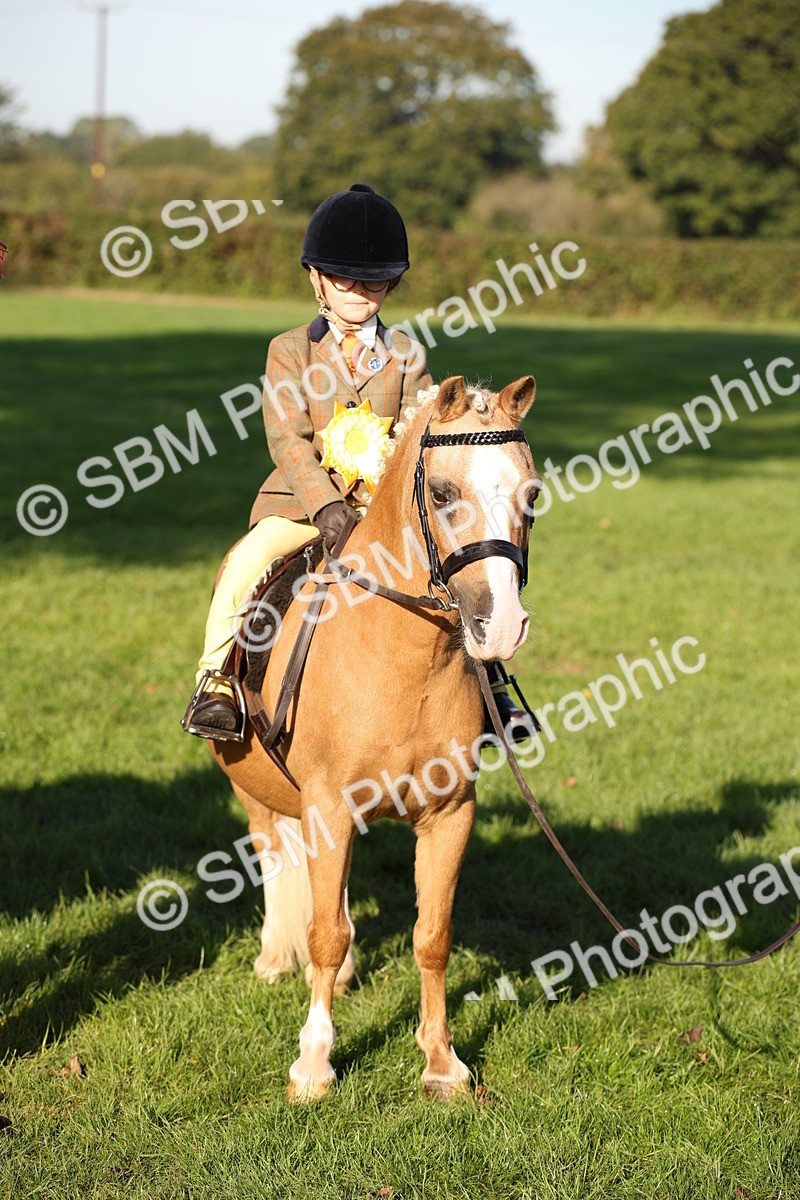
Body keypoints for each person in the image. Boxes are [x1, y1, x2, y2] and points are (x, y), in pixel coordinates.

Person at [182, 183, 530, 742]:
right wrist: (324, 507)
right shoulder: (289, 351)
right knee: (246, 562)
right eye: (344, 277)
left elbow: (420, 432)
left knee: (457, 568)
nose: (359, 291)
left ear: (391, 282)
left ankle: (491, 690)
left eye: (373, 279)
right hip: (300, 504)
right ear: (317, 278)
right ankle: (216, 682)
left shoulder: (408, 354)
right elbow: (288, 441)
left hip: (386, 512)